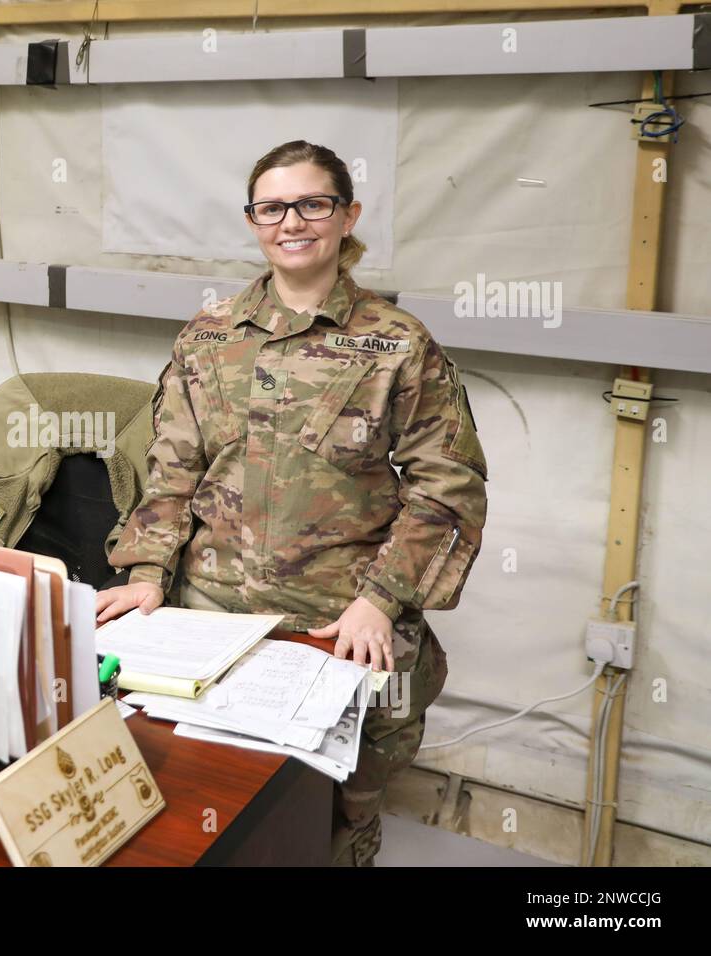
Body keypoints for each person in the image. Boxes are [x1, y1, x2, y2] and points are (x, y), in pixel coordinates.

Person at [96, 140, 488, 866]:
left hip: (337, 616)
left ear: (347, 216)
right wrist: (147, 571)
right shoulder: (209, 337)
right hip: (206, 612)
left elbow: (449, 483)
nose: (292, 222)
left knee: (331, 814)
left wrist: (382, 598)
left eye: (313, 203)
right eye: (272, 207)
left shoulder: (397, 344)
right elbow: (172, 468)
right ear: (253, 220)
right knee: (203, 802)